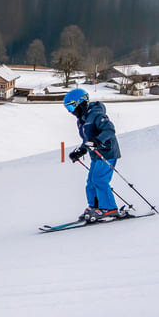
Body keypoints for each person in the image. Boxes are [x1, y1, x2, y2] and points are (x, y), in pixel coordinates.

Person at [63, 88, 124, 222]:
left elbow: (109, 130)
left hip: (107, 153)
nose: (70, 111)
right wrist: (81, 150)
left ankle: (109, 209)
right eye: (68, 108)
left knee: (99, 180)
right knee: (91, 182)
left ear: (81, 102)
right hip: (96, 155)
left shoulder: (96, 114)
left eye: (72, 106)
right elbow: (88, 140)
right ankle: (95, 207)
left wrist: (98, 140)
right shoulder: (82, 120)